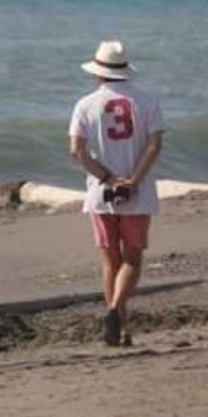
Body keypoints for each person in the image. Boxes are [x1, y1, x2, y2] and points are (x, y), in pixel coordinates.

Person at [68, 40, 166, 348]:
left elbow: (77, 150)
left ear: (97, 72)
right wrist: (133, 180)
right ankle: (115, 316)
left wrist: (107, 178)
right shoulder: (147, 101)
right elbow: (154, 145)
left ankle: (120, 327)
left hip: (102, 193)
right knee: (133, 260)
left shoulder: (85, 104)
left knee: (110, 261)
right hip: (137, 193)